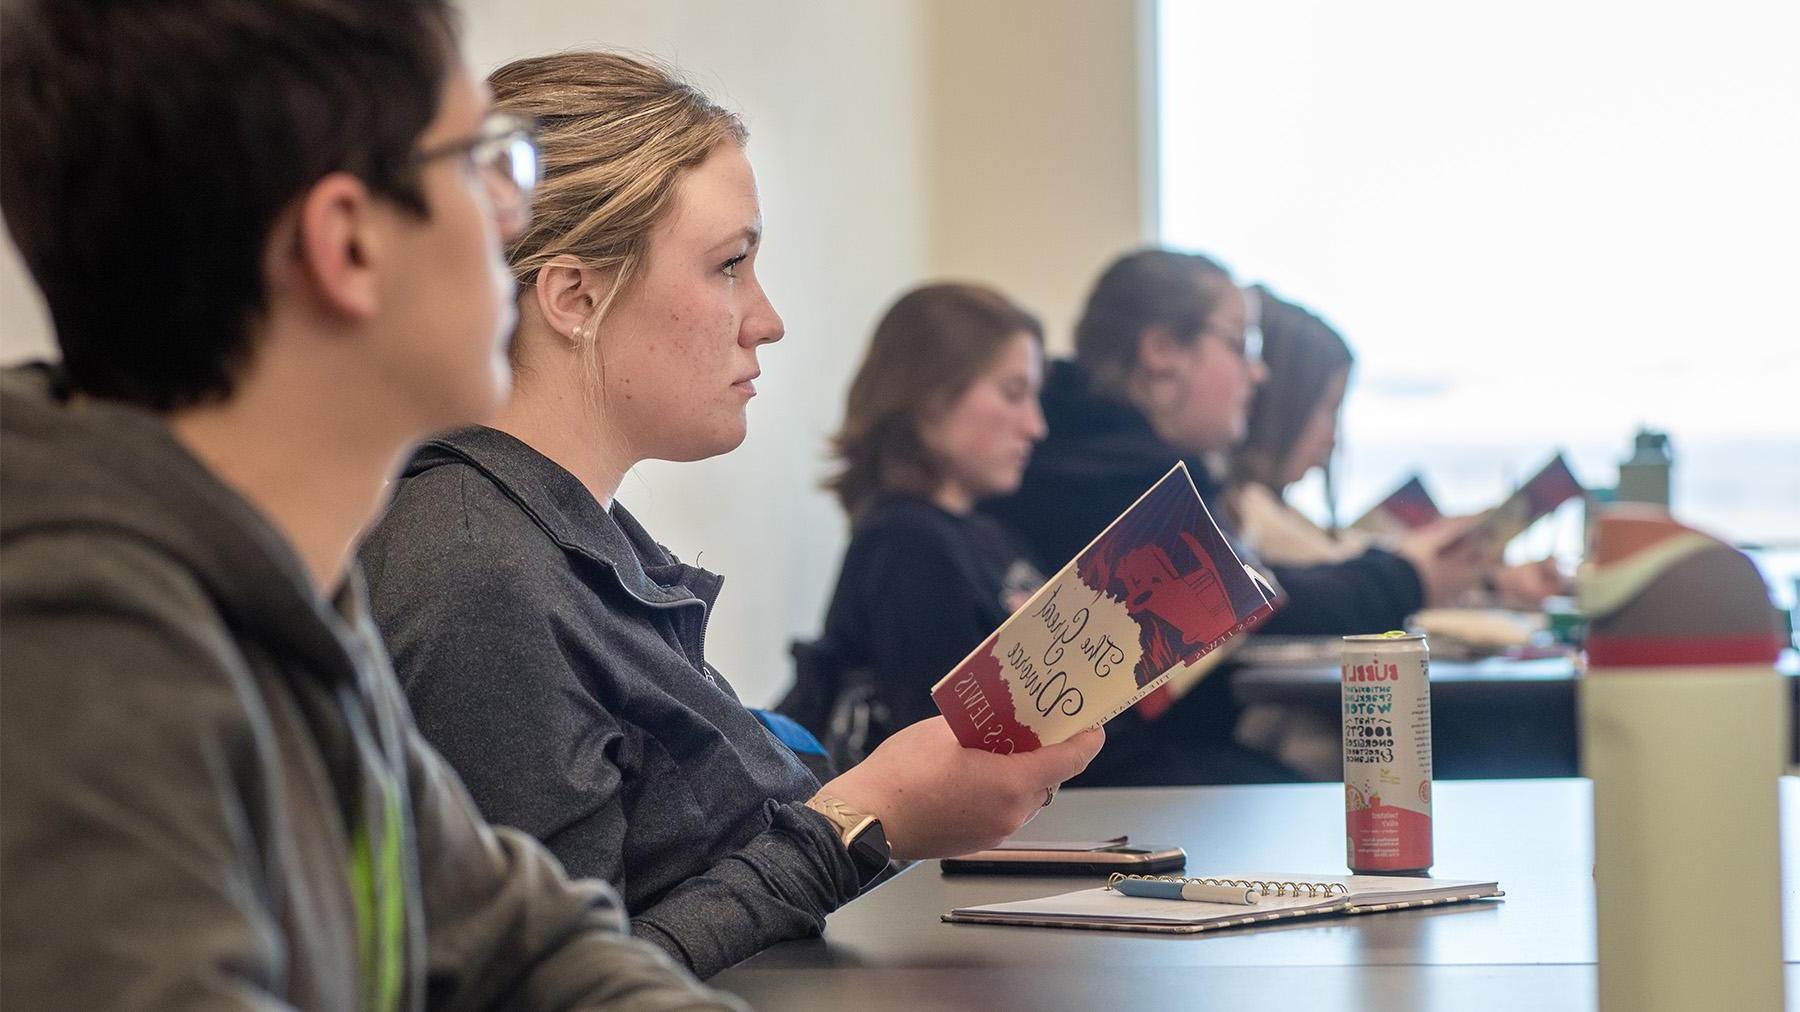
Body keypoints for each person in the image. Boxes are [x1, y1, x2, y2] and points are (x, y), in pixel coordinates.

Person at [0, 2, 736, 1007]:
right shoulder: (78, 649)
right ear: (348, 245)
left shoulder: (282, 582)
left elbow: (529, 950)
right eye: (484, 164)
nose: (514, 216)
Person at [358, 52, 1103, 980]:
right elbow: (564, 997)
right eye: (730, 266)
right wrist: (863, 821)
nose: (767, 319)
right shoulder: (479, 579)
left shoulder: (570, 543)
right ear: (575, 296)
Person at [983, 249, 1489, 786]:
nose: (1258, 371)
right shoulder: (1121, 479)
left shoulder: (1095, 456)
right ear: (1162, 350)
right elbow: (1250, 598)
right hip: (1105, 791)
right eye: (1241, 342)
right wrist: (1406, 577)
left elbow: (1255, 582)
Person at [789, 283, 1049, 762]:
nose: (1036, 426)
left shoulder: (988, 533)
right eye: (1014, 394)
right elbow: (958, 755)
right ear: (929, 396)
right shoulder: (908, 544)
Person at [1226, 284, 1565, 605]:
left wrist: (1483, 573)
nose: (1333, 438)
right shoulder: (1251, 512)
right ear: (1278, 405)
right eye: (1326, 410)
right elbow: (1336, 566)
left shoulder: (1275, 510)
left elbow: (1344, 553)